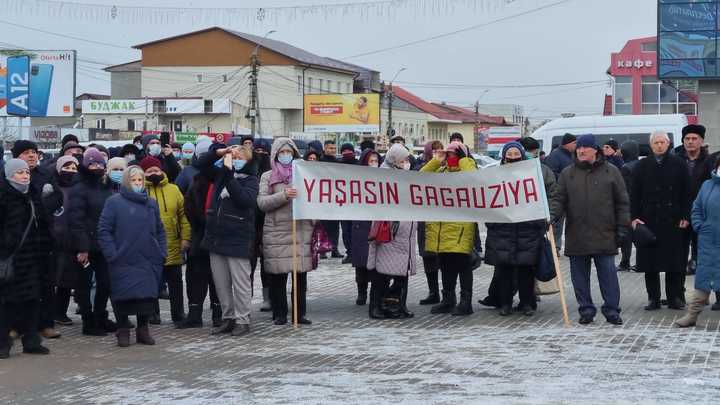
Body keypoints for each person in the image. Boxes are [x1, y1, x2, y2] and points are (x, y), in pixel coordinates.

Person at [550, 134, 628, 325]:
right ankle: (586, 310)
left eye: (585, 147)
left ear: (595, 150)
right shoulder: (568, 173)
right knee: (579, 278)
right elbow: (558, 199)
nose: (581, 151)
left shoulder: (612, 171)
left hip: (605, 233)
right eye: (579, 148)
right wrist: (551, 217)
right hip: (577, 234)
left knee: (608, 276)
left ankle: (612, 310)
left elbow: (622, 202)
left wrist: (622, 228)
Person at [97, 165, 167, 347]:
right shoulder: (114, 202)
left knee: (146, 296)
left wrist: (161, 252)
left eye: (140, 180)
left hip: (148, 257)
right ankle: (123, 330)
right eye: (133, 180)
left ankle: (143, 330)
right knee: (122, 295)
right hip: (123, 258)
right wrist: (112, 253)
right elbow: (104, 230)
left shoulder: (151, 202)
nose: (137, 183)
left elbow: (159, 229)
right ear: (127, 182)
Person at [199, 142, 259, 337]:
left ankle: (243, 319)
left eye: (241, 158)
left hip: (238, 237)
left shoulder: (250, 180)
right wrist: (220, 152)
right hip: (217, 237)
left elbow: (245, 200)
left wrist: (229, 177)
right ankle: (228, 317)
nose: (236, 161)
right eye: (234, 157)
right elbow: (200, 164)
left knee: (240, 282)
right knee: (221, 282)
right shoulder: (219, 175)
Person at [484, 142, 547, 316]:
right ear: (504, 157)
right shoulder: (494, 176)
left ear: (522, 155)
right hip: (503, 229)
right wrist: (492, 221)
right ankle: (505, 304)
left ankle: (527, 303)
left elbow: (545, 197)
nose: (513, 158)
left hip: (527, 229)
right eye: (509, 155)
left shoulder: (533, 175)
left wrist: (542, 219)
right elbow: (487, 200)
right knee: (504, 270)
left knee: (526, 270)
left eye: (516, 155)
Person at [632, 131, 692, 311]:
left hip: (673, 220)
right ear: (651, 145)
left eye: (662, 142)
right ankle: (653, 298)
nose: (659, 145)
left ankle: (674, 298)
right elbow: (634, 194)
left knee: (674, 262)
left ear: (668, 144)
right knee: (651, 263)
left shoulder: (679, 164)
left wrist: (685, 216)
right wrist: (633, 217)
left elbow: (687, 193)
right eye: (656, 142)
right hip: (648, 220)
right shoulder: (641, 166)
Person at [257, 138, 314, 325]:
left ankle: (300, 313)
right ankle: (280, 313)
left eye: (289, 152)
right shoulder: (267, 176)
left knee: (300, 277)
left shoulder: (303, 173)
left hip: (300, 230)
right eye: (282, 152)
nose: (286, 156)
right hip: (277, 232)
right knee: (278, 277)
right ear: (275, 155)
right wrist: (283, 195)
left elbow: (315, 199)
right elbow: (262, 203)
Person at [0, 159, 53, 358]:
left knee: (32, 302)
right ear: (9, 175)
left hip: (35, 259)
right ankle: (2, 343)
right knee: (8, 304)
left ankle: (31, 341)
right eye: (19, 173)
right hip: (12, 260)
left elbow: (44, 224)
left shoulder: (33, 196)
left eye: (26, 173)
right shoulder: (4, 197)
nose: (24, 176)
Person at [12, 140, 63, 339]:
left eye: (34, 152)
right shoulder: (7, 176)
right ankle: (15, 325)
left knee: (46, 283)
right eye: (26, 152)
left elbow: (57, 198)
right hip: (19, 240)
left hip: (43, 238)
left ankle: (45, 324)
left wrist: (42, 206)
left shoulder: (46, 174)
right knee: (18, 284)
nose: (32, 156)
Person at [422, 141, 477, 316]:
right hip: (441, 228)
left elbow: (474, 179)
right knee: (445, 265)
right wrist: (437, 160)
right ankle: (448, 299)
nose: (450, 158)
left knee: (463, 265)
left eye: (453, 154)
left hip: (460, 228)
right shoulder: (441, 172)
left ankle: (466, 302)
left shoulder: (467, 170)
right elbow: (420, 177)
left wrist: (464, 160)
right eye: (449, 154)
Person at [69, 147, 117, 336]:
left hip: (104, 244)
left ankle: (100, 316)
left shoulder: (106, 186)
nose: (96, 167)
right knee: (84, 285)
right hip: (86, 246)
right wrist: (82, 247)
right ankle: (88, 321)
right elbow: (76, 219)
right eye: (92, 163)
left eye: (99, 163)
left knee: (106, 283)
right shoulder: (79, 187)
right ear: (85, 165)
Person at [367, 144, 417, 319]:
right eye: (403, 160)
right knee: (382, 273)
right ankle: (376, 306)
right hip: (389, 233)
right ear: (394, 161)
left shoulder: (407, 177)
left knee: (402, 274)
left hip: (406, 234)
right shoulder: (383, 177)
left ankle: (399, 305)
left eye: (407, 160)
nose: (406, 163)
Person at [140, 157, 191, 326]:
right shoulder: (139, 191)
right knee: (151, 282)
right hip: (149, 245)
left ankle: (178, 313)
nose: (154, 173)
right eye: (149, 171)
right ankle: (152, 314)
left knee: (175, 282)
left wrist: (185, 237)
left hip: (173, 243)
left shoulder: (174, 189)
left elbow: (183, 216)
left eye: (156, 170)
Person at [178, 148, 222, 329]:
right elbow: (188, 207)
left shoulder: (227, 181)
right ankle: (194, 315)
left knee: (218, 279)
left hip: (220, 239)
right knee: (195, 278)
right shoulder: (198, 180)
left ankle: (219, 314)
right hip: (200, 237)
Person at [675, 158, 720, 327]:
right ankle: (692, 315)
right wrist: (700, 226)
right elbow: (697, 208)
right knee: (704, 279)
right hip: (708, 241)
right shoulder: (708, 185)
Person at [674, 124, 714, 277]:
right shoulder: (676, 161)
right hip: (679, 213)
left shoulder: (710, 161)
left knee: (701, 247)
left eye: (694, 138)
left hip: (703, 212)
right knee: (679, 250)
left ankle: (700, 276)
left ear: (701, 141)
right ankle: (678, 291)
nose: (690, 141)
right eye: (687, 138)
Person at [51, 156, 80, 327]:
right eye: (66, 167)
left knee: (67, 281)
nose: (70, 171)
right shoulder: (53, 188)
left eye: (74, 167)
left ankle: (60, 312)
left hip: (73, 241)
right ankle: (47, 313)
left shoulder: (78, 190)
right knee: (52, 279)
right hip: (54, 240)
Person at [351, 149, 381, 306]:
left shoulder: (383, 179)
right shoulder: (357, 180)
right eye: (371, 161)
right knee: (361, 261)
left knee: (377, 261)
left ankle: (374, 293)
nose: (374, 164)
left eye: (376, 161)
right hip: (361, 224)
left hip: (377, 223)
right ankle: (361, 292)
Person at [416, 141, 444, 304]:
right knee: (428, 258)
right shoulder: (420, 166)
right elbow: (419, 179)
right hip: (425, 220)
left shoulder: (446, 168)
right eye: (433, 151)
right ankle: (433, 292)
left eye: (439, 150)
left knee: (444, 258)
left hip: (442, 220)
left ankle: (447, 293)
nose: (436, 153)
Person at [544, 133, 577, 253]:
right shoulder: (556, 156)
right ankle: (554, 247)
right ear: (567, 143)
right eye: (574, 143)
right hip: (559, 194)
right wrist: (566, 178)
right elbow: (551, 173)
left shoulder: (571, 155)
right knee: (557, 223)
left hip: (571, 194)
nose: (576, 145)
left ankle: (557, 246)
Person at [252, 138, 273, 313]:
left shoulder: (273, 173)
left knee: (269, 264)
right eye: (257, 151)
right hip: (250, 223)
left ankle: (269, 297)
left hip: (269, 222)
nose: (260, 155)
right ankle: (245, 298)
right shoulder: (248, 169)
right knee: (248, 264)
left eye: (264, 152)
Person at [618, 140, 640, 272]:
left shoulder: (626, 168)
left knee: (627, 237)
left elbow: (624, 189)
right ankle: (639, 261)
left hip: (629, 207)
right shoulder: (641, 164)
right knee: (638, 236)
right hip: (639, 206)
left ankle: (625, 262)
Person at [320, 140, 343, 259]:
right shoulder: (320, 162)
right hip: (323, 198)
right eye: (330, 148)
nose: (332, 150)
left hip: (335, 198)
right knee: (324, 225)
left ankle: (334, 249)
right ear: (325, 149)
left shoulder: (338, 162)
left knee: (335, 225)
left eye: (334, 148)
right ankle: (323, 250)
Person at [339, 143, 357, 264]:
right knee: (345, 231)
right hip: (343, 204)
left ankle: (355, 252)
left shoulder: (359, 165)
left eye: (349, 150)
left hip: (356, 204)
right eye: (344, 151)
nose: (346, 153)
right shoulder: (338, 165)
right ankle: (349, 252)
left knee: (354, 230)